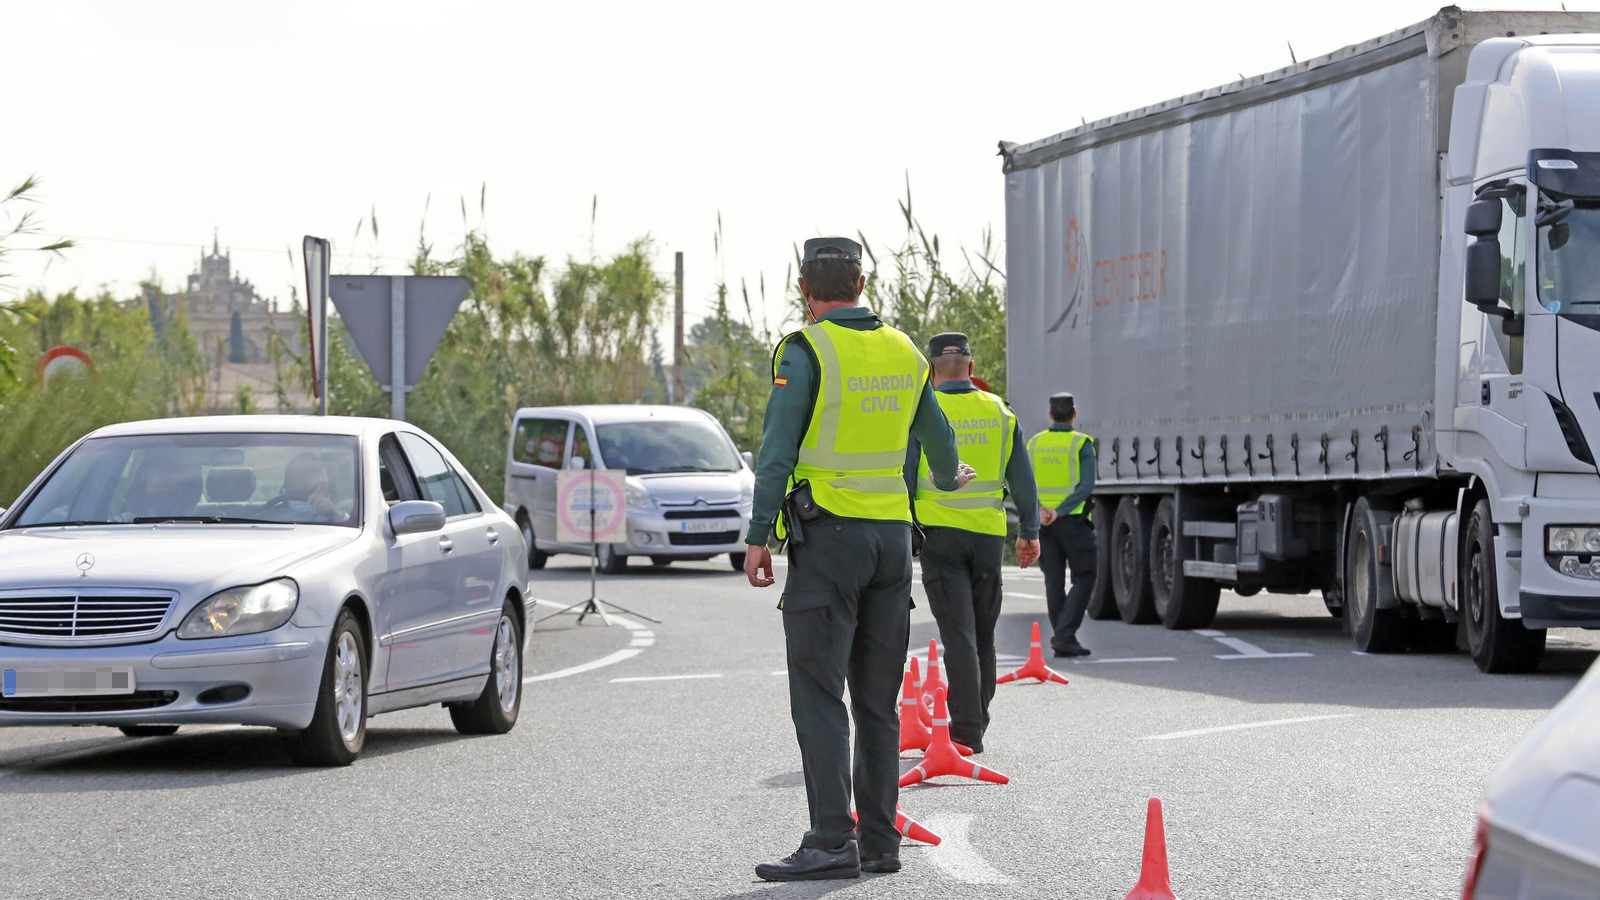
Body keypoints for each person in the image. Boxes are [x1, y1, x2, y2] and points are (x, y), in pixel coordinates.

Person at [743, 236, 974, 882]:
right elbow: (939, 440)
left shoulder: (805, 349)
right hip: (893, 542)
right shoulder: (905, 350)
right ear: (862, 284)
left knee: (820, 694)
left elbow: (777, 450)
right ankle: (879, 842)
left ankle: (829, 840)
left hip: (830, 542)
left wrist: (759, 535)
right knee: (878, 701)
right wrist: (949, 476)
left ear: (803, 288)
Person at [904, 333, 1041, 754]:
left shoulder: (923, 410)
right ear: (972, 366)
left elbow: (906, 474)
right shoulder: (1001, 412)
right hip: (987, 538)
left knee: (958, 634)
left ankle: (966, 730)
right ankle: (976, 719)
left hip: (939, 535)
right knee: (983, 633)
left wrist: (903, 530)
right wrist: (1030, 532)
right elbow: (1023, 479)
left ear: (930, 369)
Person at [1029, 392, 1097, 657]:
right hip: (1073, 522)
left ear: (1050, 415)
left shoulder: (1035, 443)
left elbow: (1024, 481)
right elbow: (1086, 486)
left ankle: (1062, 637)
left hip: (1043, 523)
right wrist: (1059, 511)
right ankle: (1064, 635)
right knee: (1085, 576)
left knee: (1053, 580)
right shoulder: (1081, 443)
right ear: (1074, 414)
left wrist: (1040, 510)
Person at [256, 453, 350, 524]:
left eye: (302, 493)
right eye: (290, 489)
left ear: (322, 489)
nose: (293, 496)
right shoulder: (263, 517)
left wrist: (338, 514)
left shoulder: (345, 511)